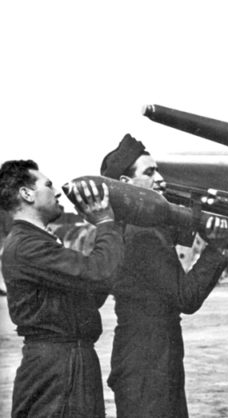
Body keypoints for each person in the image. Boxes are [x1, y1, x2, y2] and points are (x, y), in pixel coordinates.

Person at [101, 134, 228, 418]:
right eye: (149, 172)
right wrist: (217, 248)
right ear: (125, 183)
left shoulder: (129, 226)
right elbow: (187, 297)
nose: (160, 179)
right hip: (149, 361)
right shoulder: (143, 234)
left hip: (149, 355)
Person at [0, 160, 124, 417]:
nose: (56, 191)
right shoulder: (29, 246)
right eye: (48, 184)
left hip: (66, 362)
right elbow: (98, 274)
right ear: (26, 194)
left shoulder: (36, 241)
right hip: (57, 367)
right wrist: (105, 223)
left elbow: (90, 293)